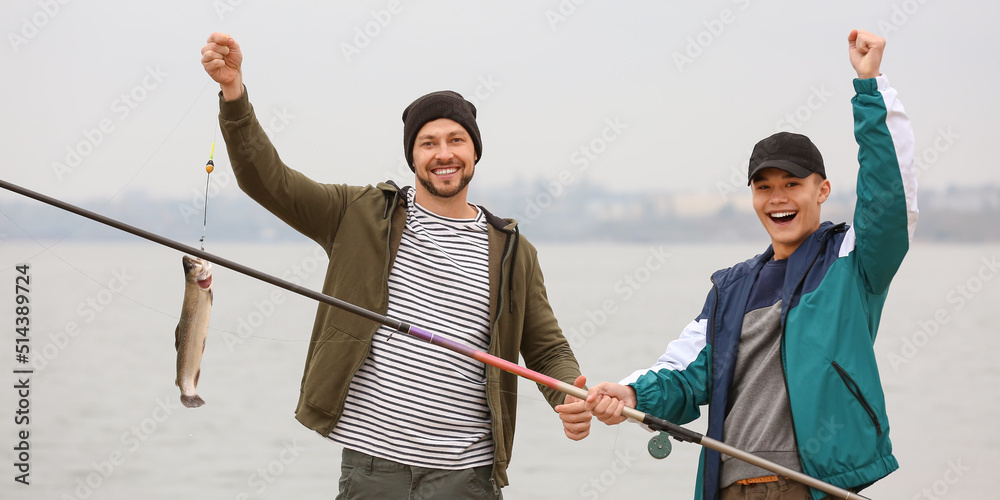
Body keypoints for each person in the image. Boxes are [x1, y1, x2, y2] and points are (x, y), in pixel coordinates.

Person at [200, 32, 591, 499]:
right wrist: (233, 94)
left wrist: (570, 394)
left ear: (473, 152)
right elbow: (268, 180)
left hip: (467, 476)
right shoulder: (358, 213)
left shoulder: (512, 250)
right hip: (371, 470)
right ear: (412, 155)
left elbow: (547, 351)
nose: (443, 153)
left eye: (456, 140)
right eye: (428, 143)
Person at [566, 29, 916, 500]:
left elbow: (889, 198)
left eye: (792, 183)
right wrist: (628, 395)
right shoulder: (731, 287)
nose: (778, 199)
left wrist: (870, 88)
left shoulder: (853, 260)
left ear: (823, 190)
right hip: (729, 488)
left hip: (813, 488)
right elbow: (687, 374)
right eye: (763, 187)